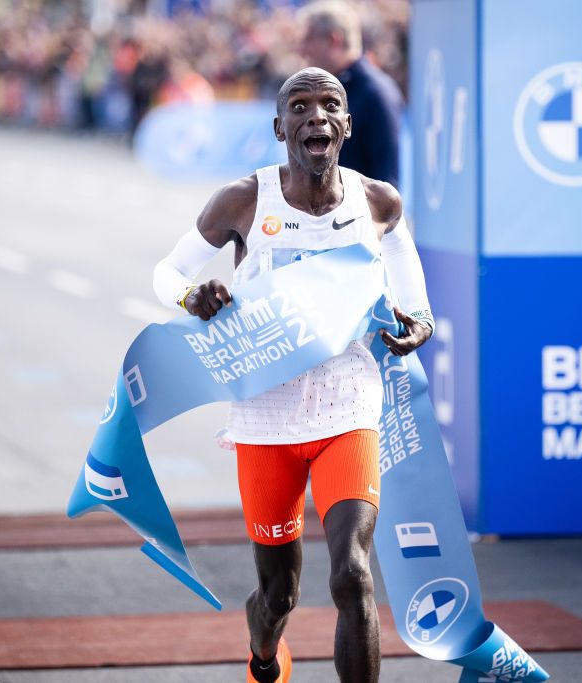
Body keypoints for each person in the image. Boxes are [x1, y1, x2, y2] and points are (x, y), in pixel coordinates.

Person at [152, 67, 434, 683]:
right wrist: (191, 296)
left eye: (329, 105)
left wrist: (419, 327)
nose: (316, 117)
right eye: (300, 107)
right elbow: (167, 274)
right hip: (265, 416)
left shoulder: (378, 202)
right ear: (281, 127)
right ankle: (262, 655)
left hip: (348, 407)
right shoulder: (244, 201)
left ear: (347, 125)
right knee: (278, 593)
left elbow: (417, 304)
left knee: (353, 573)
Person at [299, 1, 405, 188]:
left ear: (333, 40)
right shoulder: (333, 89)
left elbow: (387, 182)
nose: (302, 50)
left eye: (309, 39)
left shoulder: (375, 92)